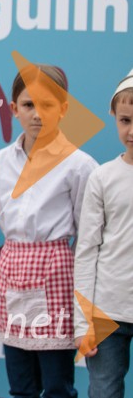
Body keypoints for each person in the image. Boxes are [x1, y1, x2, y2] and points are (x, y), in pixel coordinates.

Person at [0, 64, 97, 398]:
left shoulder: (79, 165)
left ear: (64, 109)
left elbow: (88, 233)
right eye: (28, 105)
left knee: (56, 384)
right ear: (14, 109)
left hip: (55, 275)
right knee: (20, 384)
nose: (37, 114)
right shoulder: (2, 161)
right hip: (12, 273)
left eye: (48, 105)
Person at [73, 68, 133, 398]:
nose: (132, 130)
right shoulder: (103, 178)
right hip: (107, 313)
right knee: (104, 391)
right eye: (125, 120)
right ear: (114, 117)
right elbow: (86, 251)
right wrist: (84, 323)